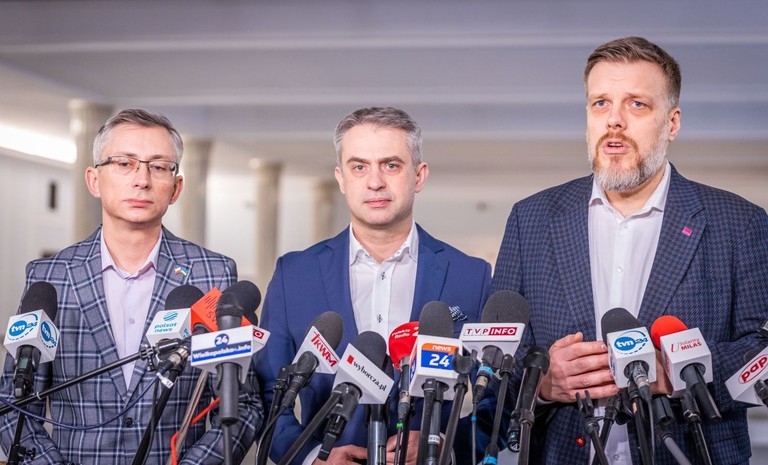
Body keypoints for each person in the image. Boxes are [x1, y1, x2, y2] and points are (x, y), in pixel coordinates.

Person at [492, 36, 768, 464]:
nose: (614, 121)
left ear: (672, 123)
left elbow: (763, 355)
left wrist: (677, 373)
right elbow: (497, 364)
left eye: (636, 104)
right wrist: (542, 384)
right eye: (600, 103)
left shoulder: (740, 223)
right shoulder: (531, 220)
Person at [0, 109, 263, 464]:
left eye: (158, 166)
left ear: (176, 187)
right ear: (94, 180)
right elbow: (13, 403)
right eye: (124, 163)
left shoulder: (212, 274)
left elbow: (241, 405)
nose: (142, 180)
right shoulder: (51, 277)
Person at [255, 107, 492, 465]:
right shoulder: (295, 275)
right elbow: (267, 395)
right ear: (341, 178)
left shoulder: (469, 276)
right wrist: (310, 458)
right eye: (359, 167)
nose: (375, 182)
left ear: (419, 175)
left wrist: (442, 443)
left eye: (391, 165)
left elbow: (498, 398)